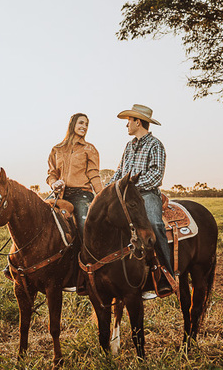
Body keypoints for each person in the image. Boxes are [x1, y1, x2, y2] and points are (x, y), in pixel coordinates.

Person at [107, 103, 173, 299]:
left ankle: (165, 275)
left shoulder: (156, 145)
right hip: (126, 195)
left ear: (138, 122)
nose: (126, 125)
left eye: (129, 121)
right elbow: (119, 172)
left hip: (146, 194)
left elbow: (156, 176)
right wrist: (107, 191)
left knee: (153, 224)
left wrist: (131, 188)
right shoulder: (128, 146)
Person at [46, 112, 103, 238]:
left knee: (84, 226)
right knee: (39, 217)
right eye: (81, 123)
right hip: (60, 195)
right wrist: (54, 183)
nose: (84, 127)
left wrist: (101, 195)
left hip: (81, 194)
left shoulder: (90, 149)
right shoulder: (57, 149)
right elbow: (52, 173)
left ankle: (87, 256)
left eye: (87, 124)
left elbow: (93, 174)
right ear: (72, 125)